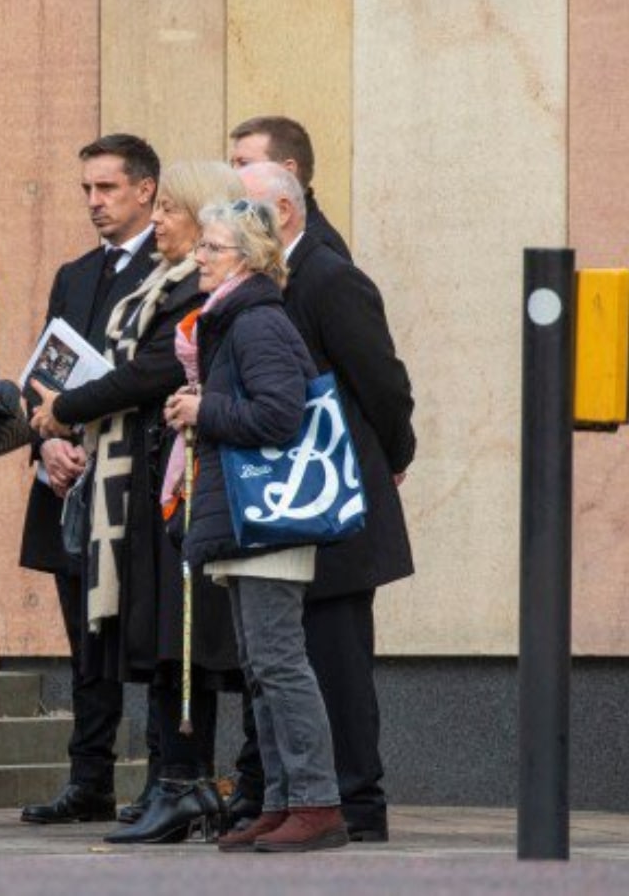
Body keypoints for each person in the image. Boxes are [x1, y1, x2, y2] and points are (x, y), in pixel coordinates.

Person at [30, 161, 245, 844]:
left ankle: (184, 783)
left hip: (184, 487)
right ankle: (168, 784)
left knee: (182, 644)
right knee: (156, 641)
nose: (158, 222)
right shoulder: (162, 282)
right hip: (145, 486)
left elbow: (150, 371)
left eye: (171, 212)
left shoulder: (204, 291)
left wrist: (62, 409)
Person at [163, 198, 348, 853]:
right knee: (261, 665)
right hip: (250, 520)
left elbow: (280, 416)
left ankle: (317, 803)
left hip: (269, 517)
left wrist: (204, 407)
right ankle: (281, 801)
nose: (199, 258)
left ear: (242, 256)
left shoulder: (256, 321)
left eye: (210, 248)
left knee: (278, 662)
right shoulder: (236, 318)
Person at [239, 161, 416, 842]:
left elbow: (384, 383)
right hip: (292, 505)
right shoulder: (268, 280)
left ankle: (357, 806)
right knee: (289, 658)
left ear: (283, 211)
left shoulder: (328, 276)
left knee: (336, 659)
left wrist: (393, 458)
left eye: (243, 208)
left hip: (338, 505)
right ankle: (298, 799)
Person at [19, 134, 159, 825]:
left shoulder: (175, 268)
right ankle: (90, 778)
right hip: (67, 480)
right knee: (84, 641)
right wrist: (46, 444)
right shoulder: (75, 273)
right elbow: (43, 377)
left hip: (135, 480)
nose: (95, 202)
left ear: (147, 190)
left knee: (144, 632)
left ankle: (168, 775)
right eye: (86, 190)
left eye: (107, 188)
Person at [229, 115, 351, 262]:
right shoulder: (262, 232)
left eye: (244, 163)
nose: (233, 174)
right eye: (232, 164)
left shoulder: (321, 249)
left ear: (287, 171)